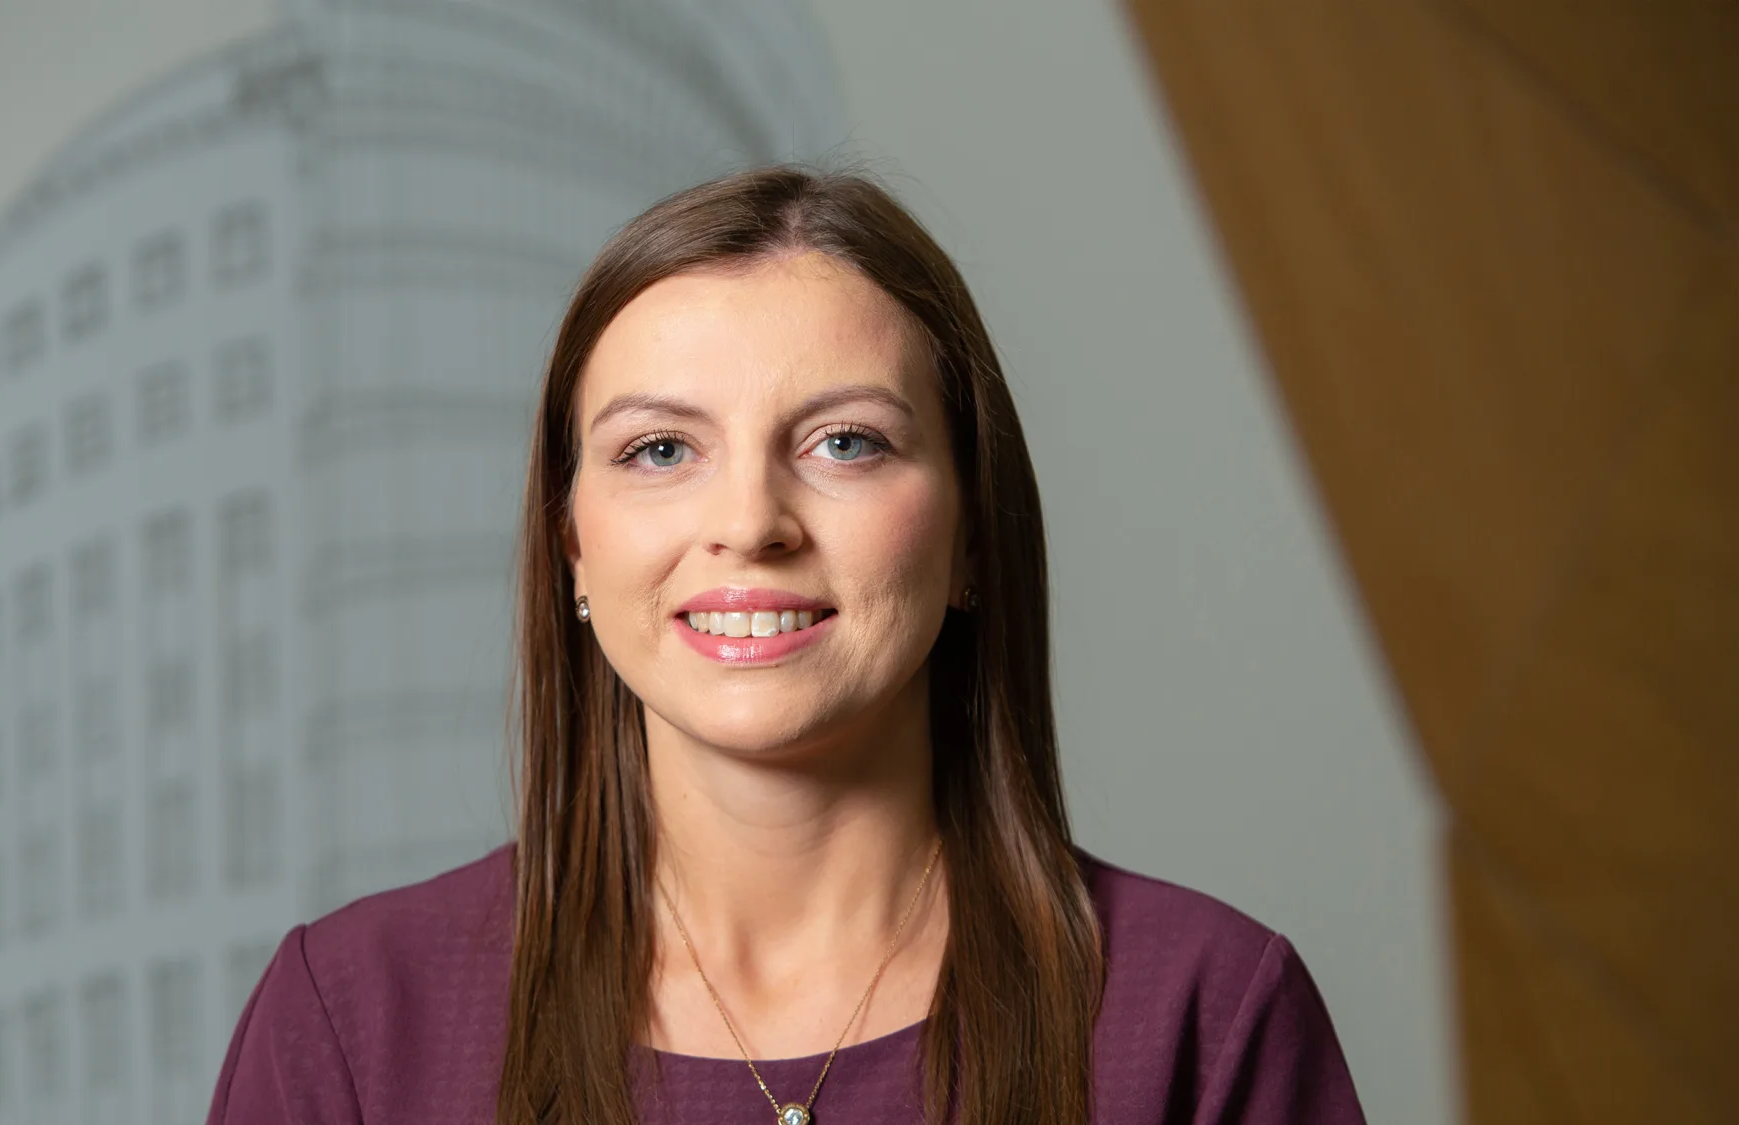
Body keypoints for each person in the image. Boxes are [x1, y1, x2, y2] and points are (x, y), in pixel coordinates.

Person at [205, 166, 1365, 1125]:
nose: (749, 524)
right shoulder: (352, 1023)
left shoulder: (1204, 1015)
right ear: (570, 549)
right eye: (660, 451)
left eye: (844, 442)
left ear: (969, 534)